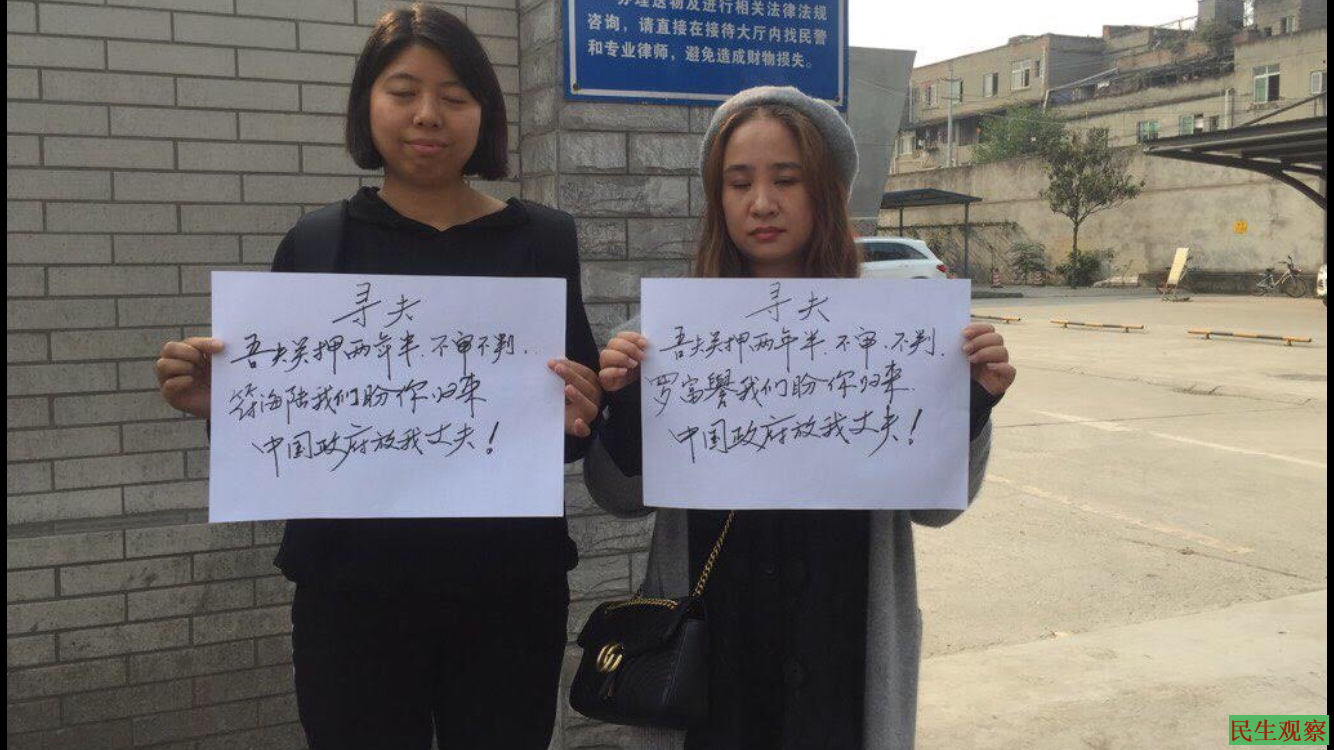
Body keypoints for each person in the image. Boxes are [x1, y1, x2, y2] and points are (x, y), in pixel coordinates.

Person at [154, 6, 601, 749]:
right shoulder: (317, 243)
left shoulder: (544, 241)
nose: (428, 115)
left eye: (455, 96)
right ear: (367, 103)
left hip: (509, 593)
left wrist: (582, 411)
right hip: (351, 596)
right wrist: (222, 406)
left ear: (485, 113)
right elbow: (282, 436)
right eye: (403, 91)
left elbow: (573, 433)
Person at [583, 86, 1016, 750]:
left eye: (787, 180)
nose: (761, 203)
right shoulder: (663, 336)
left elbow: (935, 511)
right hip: (710, 643)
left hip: (843, 637)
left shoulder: (893, 337)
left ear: (828, 193)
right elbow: (619, 499)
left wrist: (973, 403)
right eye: (739, 183)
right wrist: (627, 403)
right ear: (718, 199)